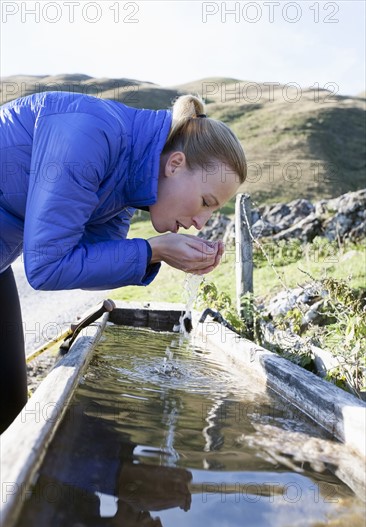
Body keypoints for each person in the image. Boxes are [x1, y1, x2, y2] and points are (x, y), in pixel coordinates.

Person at [0, 91, 247, 432]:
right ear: (174, 164)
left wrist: (156, 253)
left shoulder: (128, 187)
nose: (201, 222)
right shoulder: (89, 137)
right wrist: (153, 250)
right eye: (206, 202)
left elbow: (89, 264)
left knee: (10, 407)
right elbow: (47, 266)